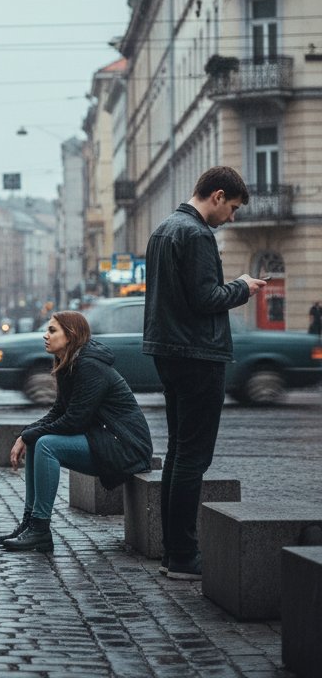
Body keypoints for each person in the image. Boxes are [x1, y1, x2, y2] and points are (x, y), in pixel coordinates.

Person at [142, 166, 267, 580]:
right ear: (216, 196)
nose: (231, 217)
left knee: (179, 452)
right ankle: (182, 555)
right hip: (197, 354)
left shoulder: (163, 229)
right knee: (193, 457)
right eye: (231, 208)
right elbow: (205, 297)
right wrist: (242, 287)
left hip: (169, 351)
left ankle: (172, 551)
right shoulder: (196, 234)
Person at [1, 312, 153, 552]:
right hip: (103, 438)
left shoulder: (89, 366)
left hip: (125, 445)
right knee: (37, 440)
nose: (45, 335)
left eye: (52, 331)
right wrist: (26, 433)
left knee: (45, 444)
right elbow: (58, 411)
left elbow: (74, 421)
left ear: (70, 335)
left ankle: (40, 529)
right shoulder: (69, 364)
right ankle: (31, 523)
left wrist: (30, 435)